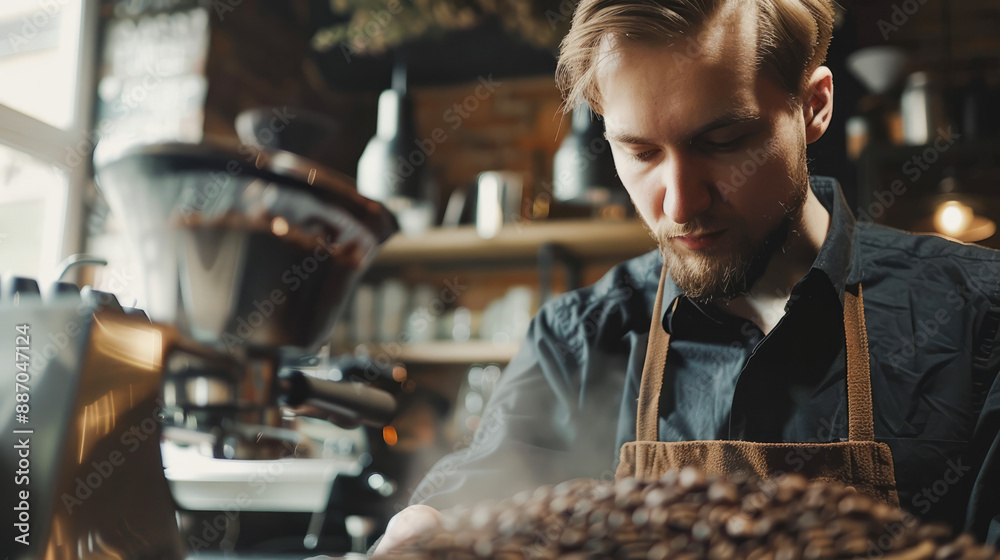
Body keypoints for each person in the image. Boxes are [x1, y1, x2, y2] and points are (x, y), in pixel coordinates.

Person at [373, 0, 1000, 555]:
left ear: (813, 107)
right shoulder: (578, 340)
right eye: (640, 152)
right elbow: (484, 487)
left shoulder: (978, 314)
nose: (678, 203)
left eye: (724, 140)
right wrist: (431, 525)